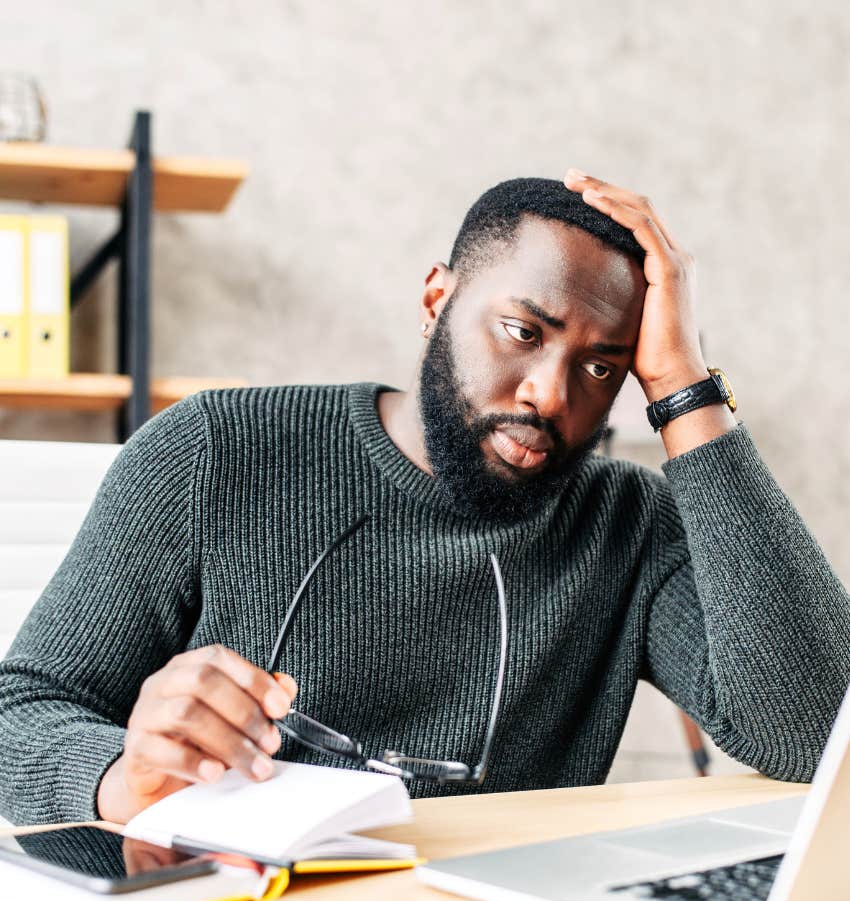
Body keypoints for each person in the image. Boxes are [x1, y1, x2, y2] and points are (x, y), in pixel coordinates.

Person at [1, 171, 848, 827]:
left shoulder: (627, 522)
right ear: (436, 300)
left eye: (602, 366)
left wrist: (685, 387)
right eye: (523, 332)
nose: (551, 394)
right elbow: (21, 713)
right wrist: (122, 777)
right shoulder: (216, 449)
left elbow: (819, 734)